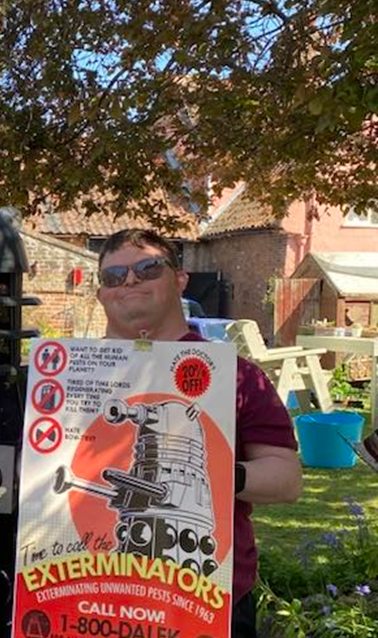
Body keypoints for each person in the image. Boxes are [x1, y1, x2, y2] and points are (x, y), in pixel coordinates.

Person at [95, 228, 302, 638]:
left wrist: (217, 476)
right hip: (96, 586)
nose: (130, 281)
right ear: (101, 294)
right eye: (113, 276)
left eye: (148, 268)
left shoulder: (237, 376)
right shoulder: (71, 378)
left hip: (207, 593)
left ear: (180, 279)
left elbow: (286, 478)